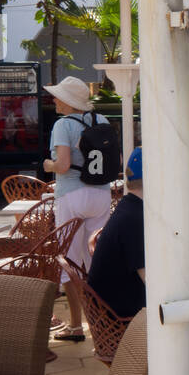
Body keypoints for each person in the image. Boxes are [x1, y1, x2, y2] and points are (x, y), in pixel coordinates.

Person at [43, 76, 114, 342]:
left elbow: (61, 165)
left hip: (71, 195)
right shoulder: (103, 121)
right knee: (96, 259)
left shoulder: (63, 125)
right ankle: (103, 325)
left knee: (69, 261)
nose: (54, 100)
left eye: (58, 96)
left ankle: (75, 326)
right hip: (100, 194)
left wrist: (47, 165)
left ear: (69, 102)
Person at [87, 146, 145, 319]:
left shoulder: (129, 208)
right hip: (122, 321)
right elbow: (154, 283)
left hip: (110, 312)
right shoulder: (135, 219)